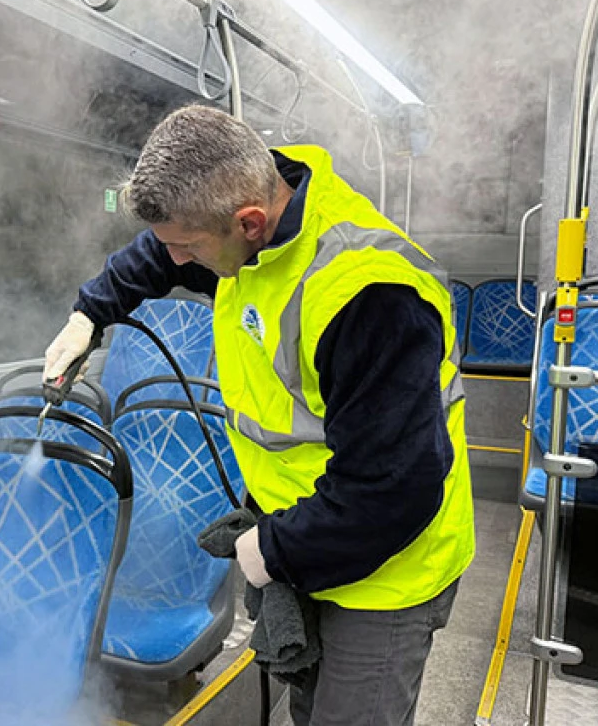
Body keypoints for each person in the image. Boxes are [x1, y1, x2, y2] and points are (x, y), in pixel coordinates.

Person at [42, 104, 475, 726]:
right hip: (314, 531)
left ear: (248, 222)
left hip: (387, 568)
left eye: (189, 249)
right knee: (306, 707)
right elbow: (163, 250)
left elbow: (393, 492)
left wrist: (270, 549)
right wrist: (93, 312)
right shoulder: (247, 219)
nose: (179, 263)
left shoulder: (368, 297)